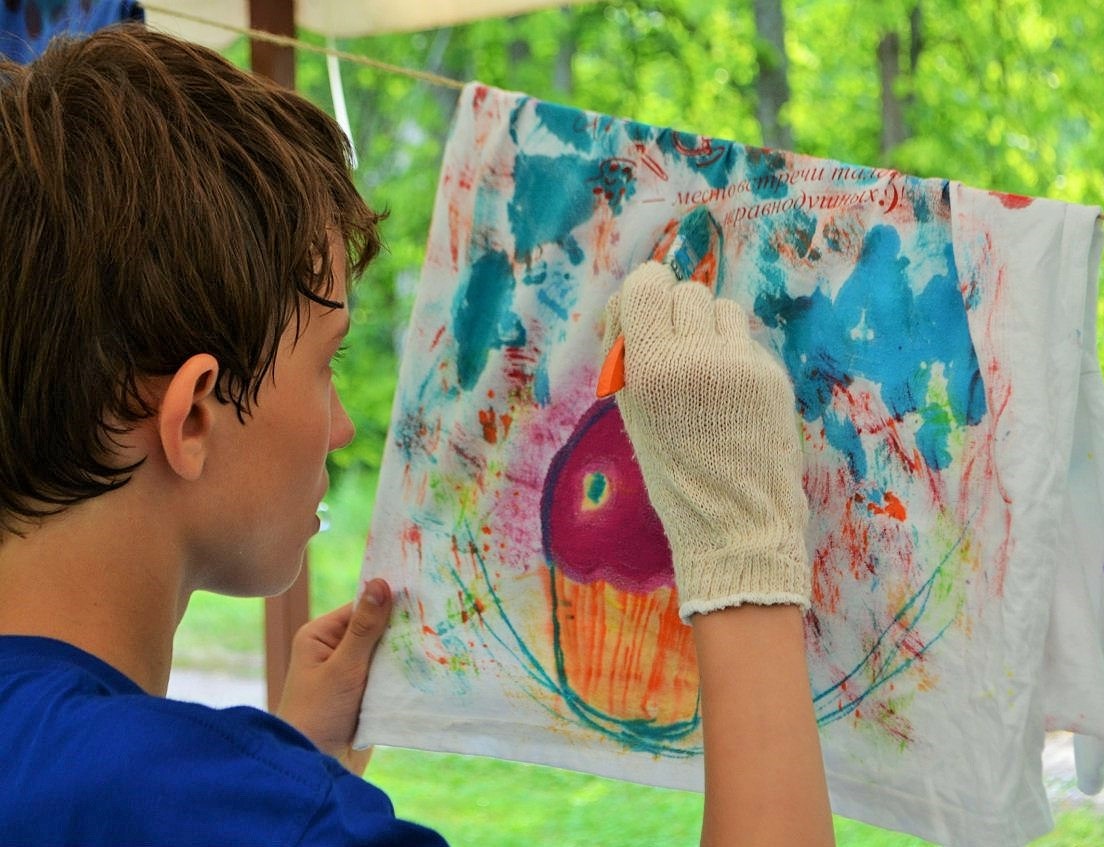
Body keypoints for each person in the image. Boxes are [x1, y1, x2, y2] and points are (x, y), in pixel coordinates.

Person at [0, 25, 834, 847]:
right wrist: (743, 564)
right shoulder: (241, 809)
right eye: (327, 363)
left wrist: (297, 762)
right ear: (191, 417)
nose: (341, 425)